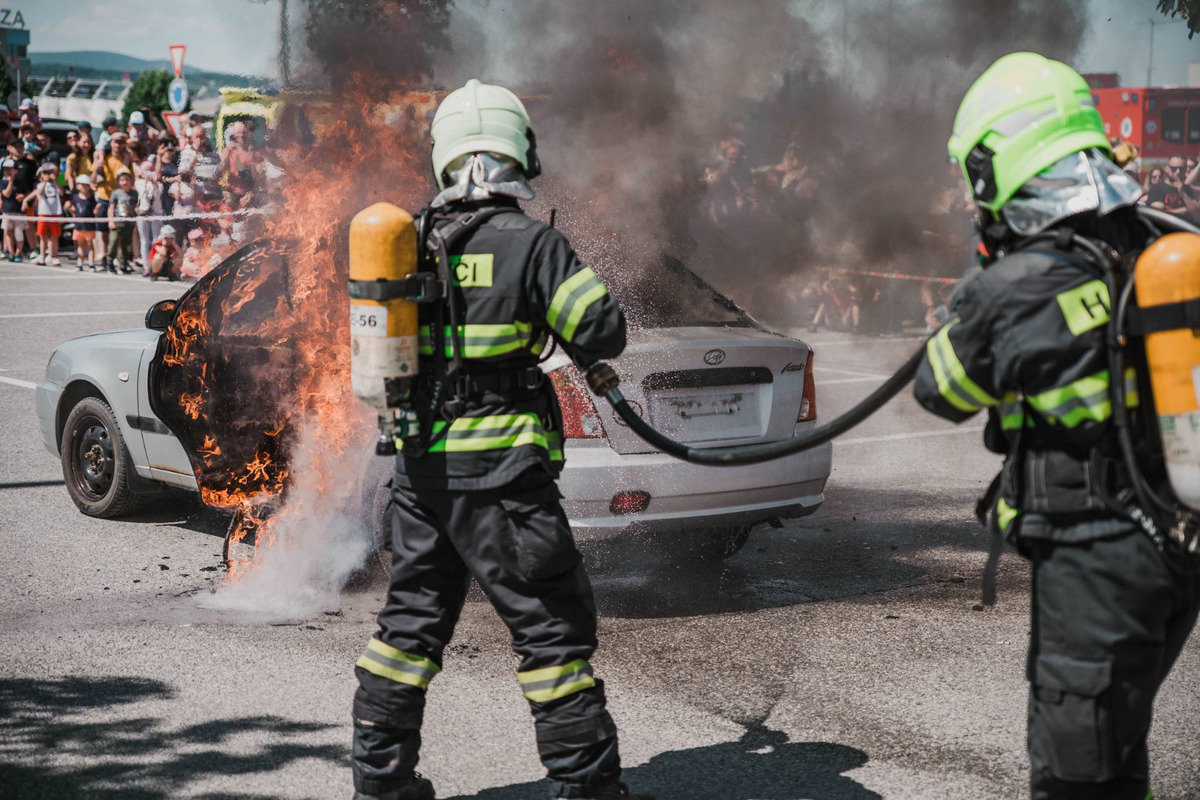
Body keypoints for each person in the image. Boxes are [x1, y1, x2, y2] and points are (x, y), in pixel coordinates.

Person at [349, 79, 649, 800]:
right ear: (521, 153)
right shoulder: (532, 243)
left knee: (408, 632)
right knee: (552, 637)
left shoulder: (408, 243)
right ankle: (587, 788)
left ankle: (380, 786)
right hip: (506, 483)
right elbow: (604, 331)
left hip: (421, 479)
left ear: (444, 157)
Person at [915, 52, 1200, 799]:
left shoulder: (1016, 286)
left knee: (1077, 775)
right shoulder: (1154, 242)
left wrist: (981, 283)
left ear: (999, 164)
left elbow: (939, 389)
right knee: (1119, 745)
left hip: (1094, 557)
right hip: (1172, 544)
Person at [22, 162, 64, 266]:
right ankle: (42, 256)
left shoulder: (56, 184)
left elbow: (62, 192)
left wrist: (56, 181)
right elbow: (39, 193)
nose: (48, 175)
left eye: (50, 172)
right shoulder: (40, 185)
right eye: (45, 173)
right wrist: (45, 182)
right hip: (43, 213)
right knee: (43, 236)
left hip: (55, 213)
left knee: (54, 236)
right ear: (41, 175)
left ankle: (54, 256)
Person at [1147, 156, 1200, 223]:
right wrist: (1186, 209)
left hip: (1186, 230)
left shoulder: (1187, 189)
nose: (1178, 172)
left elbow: (1197, 213)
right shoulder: (1157, 188)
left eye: (1182, 169)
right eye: (1173, 169)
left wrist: (1183, 192)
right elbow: (1159, 214)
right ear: (1167, 169)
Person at [106, 168, 138, 273]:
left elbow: (136, 207)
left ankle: (123, 264)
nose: (124, 182)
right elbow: (111, 207)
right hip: (117, 222)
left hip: (129, 223)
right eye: (122, 180)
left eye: (126, 179)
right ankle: (110, 263)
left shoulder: (134, 194)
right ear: (118, 181)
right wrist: (111, 220)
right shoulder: (116, 193)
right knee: (113, 243)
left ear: (130, 181)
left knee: (126, 244)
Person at [135, 159, 164, 274]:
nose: (148, 172)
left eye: (150, 170)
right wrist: (147, 182)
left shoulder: (159, 184)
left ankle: (155, 264)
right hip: (143, 213)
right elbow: (143, 193)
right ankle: (146, 265)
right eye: (146, 170)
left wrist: (154, 182)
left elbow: (157, 194)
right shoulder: (138, 182)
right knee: (144, 240)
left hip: (156, 213)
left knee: (156, 239)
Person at [68, 174, 100, 271]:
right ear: (77, 186)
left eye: (86, 184)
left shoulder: (92, 198)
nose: (84, 187)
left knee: (90, 245)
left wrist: (98, 207)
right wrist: (71, 211)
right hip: (79, 226)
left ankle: (91, 264)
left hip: (89, 226)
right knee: (80, 245)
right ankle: (79, 264)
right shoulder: (75, 197)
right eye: (82, 185)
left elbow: (95, 211)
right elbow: (72, 208)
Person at [1, 157, 27, 262]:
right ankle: (11, 252)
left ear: (15, 171)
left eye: (10, 169)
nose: (7, 171)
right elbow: (6, 194)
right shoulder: (3, 182)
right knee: (8, 232)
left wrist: (23, 197)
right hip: (7, 211)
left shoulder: (20, 182)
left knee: (18, 233)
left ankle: (18, 253)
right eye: (5, 169)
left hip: (19, 212)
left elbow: (27, 193)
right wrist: (10, 182)